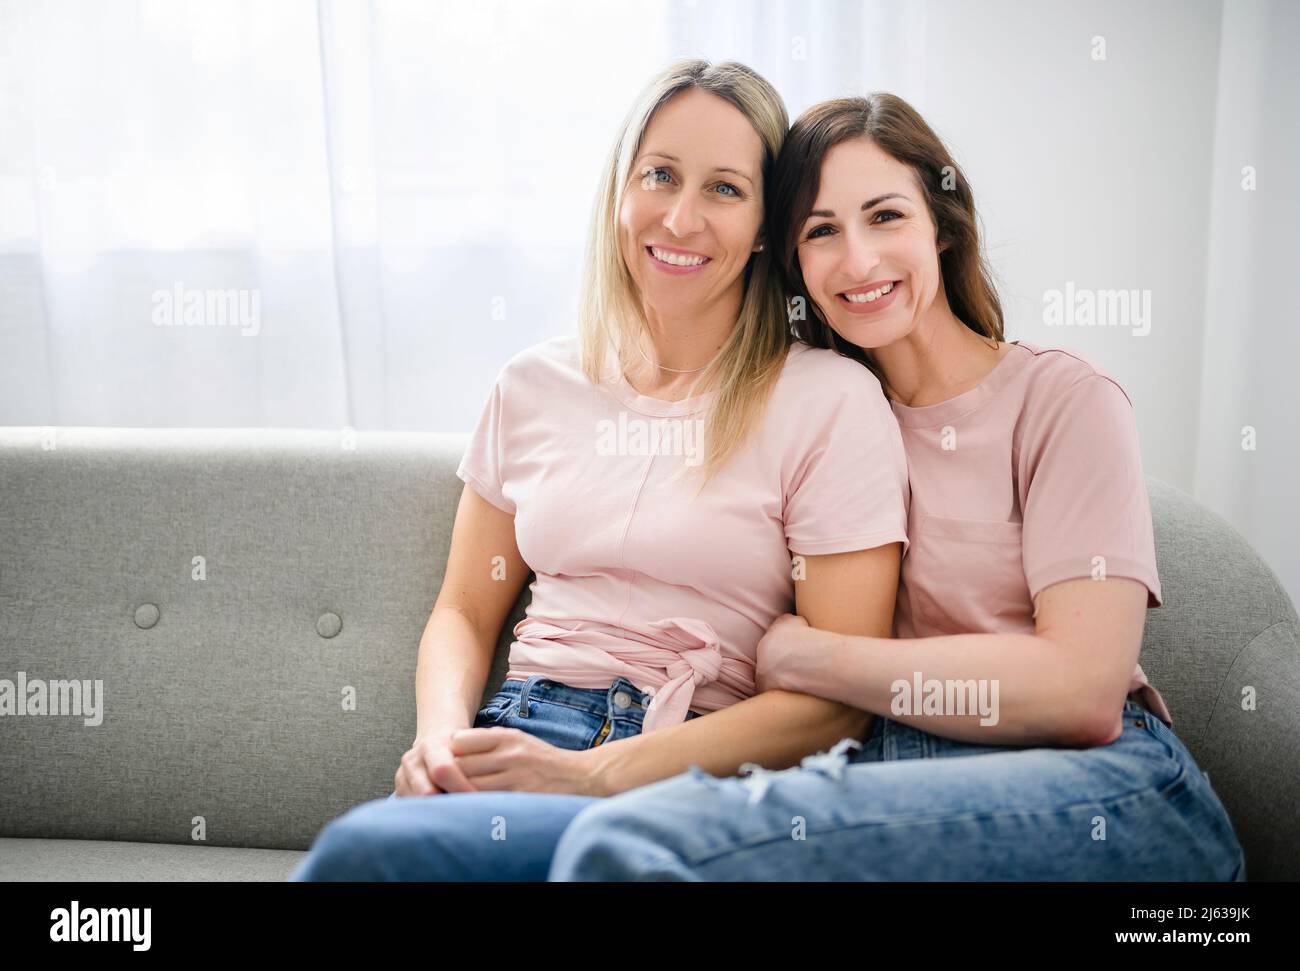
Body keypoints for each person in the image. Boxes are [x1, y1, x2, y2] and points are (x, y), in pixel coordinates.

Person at [547, 93, 1247, 882]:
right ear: (792, 263)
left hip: (1098, 785)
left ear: (940, 226)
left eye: (885, 217)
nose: (858, 261)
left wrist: (817, 656)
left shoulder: (1064, 401)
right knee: (643, 833)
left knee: (640, 839)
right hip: (892, 780)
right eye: (821, 231)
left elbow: (1082, 691)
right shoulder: (813, 418)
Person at [290, 65, 909, 881]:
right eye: (660, 175)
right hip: (518, 731)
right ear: (621, 188)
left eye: (724, 189)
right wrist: (439, 742)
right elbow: (464, 610)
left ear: (766, 225)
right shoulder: (533, 383)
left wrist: (591, 773)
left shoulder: (829, 399)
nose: (680, 218)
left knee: (358, 855)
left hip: (688, 768)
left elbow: (835, 704)